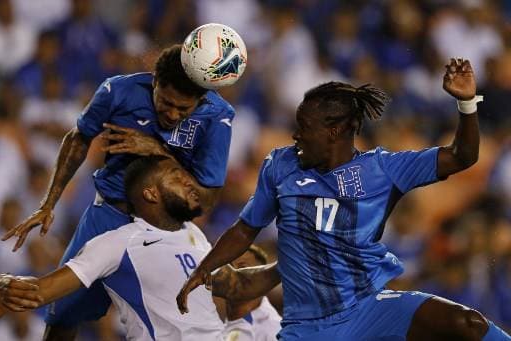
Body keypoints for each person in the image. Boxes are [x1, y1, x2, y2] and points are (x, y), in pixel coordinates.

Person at [177, 59, 511, 340]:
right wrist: (205, 268)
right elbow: (245, 229)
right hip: (307, 327)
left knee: (468, 323)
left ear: (333, 131)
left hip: (369, 307)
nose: (296, 134)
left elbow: (462, 156)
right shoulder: (280, 166)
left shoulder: (383, 169)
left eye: (305, 126)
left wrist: (467, 105)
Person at [2, 43, 235, 339]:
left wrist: (157, 150)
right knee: (62, 315)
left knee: (179, 322)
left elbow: (208, 198)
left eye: (183, 109)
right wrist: (48, 203)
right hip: (108, 215)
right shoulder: (118, 91)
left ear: (201, 100)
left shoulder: (218, 117)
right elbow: (79, 138)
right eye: (166, 102)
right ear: (155, 81)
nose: (174, 114)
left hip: (167, 231)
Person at [0, 156, 281, 340]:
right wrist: (4, 283)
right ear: (151, 193)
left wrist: (290, 262)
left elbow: (238, 285)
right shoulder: (117, 243)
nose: (188, 182)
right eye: (176, 177)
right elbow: (38, 293)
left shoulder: (193, 233)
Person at [224, 245, 282, 341]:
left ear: (262, 280)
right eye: (228, 267)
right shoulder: (209, 318)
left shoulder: (275, 332)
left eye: (242, 268)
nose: (232, 275)